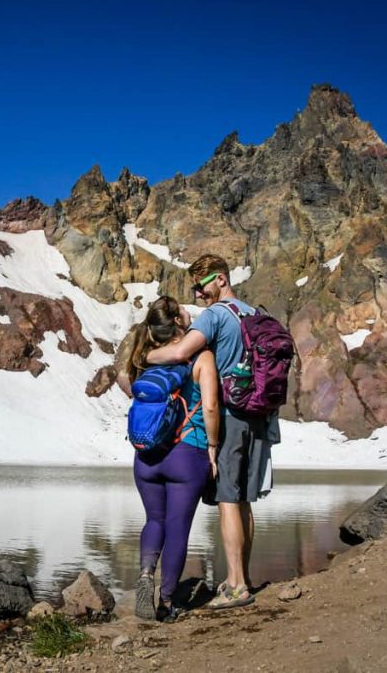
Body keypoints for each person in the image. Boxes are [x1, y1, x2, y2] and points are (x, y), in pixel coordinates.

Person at [146, 254, 279, 610]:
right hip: (259, 417)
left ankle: (237, 587)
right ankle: (241, 577)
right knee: (244, 500)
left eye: (201, 286)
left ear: (221, 280)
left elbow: (180, 353)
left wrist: (150, 357)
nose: (198, 293)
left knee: (228, 500)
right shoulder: (254, 313)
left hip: (232, 417)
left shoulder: (217, 315)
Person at [119, 296, 221, 621]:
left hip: (147, 456)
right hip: (187, 456)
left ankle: (146, 575)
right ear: (178, 321)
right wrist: (214, 449)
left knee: (154, 521)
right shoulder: (201, 356)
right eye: (183, 310)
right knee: (178, 529)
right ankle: (166, 603)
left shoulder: (145, 359)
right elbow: (210, 407)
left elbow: (126, 383)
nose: (190, 312)